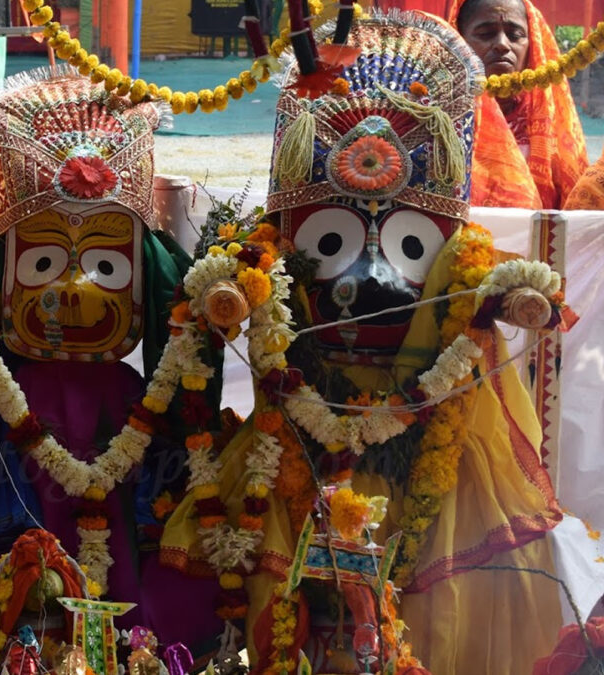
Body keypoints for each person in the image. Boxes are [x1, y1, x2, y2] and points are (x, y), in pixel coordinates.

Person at [160, 11, 600, 674]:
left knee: (429, 613)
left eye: (403, 242)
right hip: (303, 432)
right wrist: (226, 290)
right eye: (334, 237)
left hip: (425, 435)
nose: (372, 272)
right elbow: (239, 272)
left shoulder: (460, 251)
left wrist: (513, 295)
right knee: (282, 602)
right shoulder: (268, 248)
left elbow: (485, 273)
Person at [0, 67, 225, 667]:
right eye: (44, 260)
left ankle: (132, 649)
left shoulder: (151, 324)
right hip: (27, 407)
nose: (74, 288)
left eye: (105, 265)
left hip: (121, 410)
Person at [451, 0, 588, 209]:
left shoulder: (552, 126)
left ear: (532, 44)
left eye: (515, 36)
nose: (502, 44)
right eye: (486, 33)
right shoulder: (436, 119)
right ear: (458, 40)